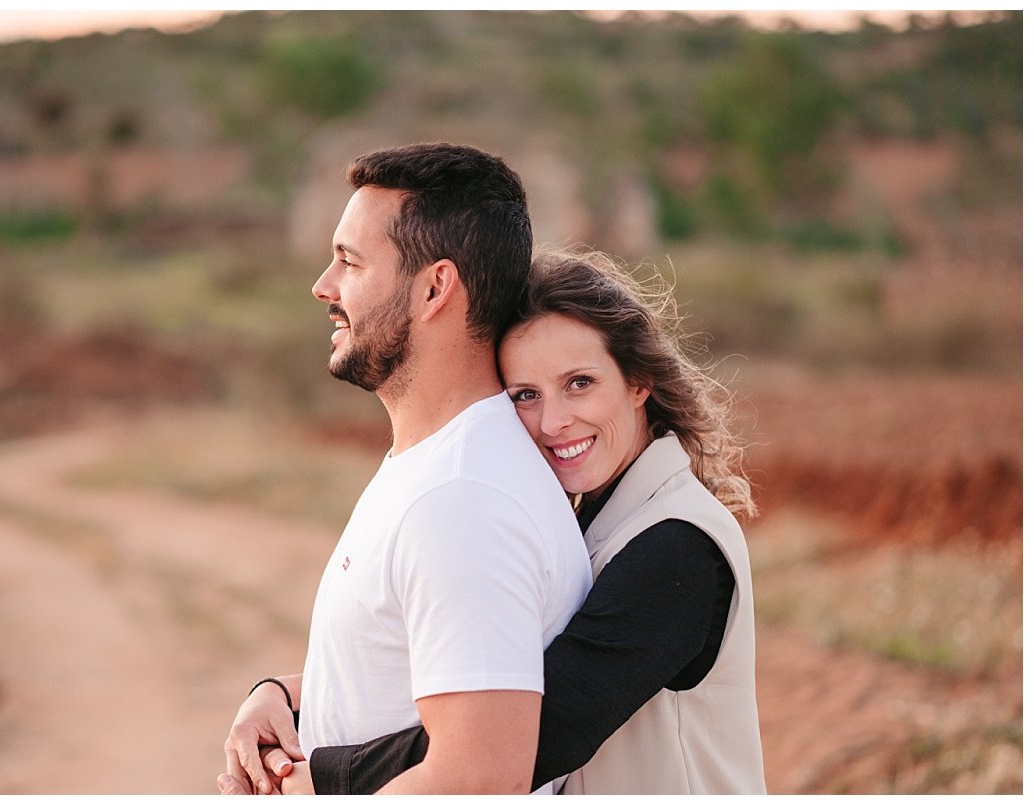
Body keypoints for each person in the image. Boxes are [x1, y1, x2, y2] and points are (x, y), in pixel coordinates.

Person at [258, 246, 767, 794]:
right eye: (526, 395)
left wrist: (319, 777)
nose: (553, 422)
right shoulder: (599, 521)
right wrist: (288, 698)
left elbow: (533, 732)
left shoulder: (676, 546)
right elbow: (487, 669)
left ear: (638, 382)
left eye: (580, 383)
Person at [217, 145, 592, 795]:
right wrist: (284, 695)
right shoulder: (440, 466)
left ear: (434, 288)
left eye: (349, 261)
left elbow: (480, 776)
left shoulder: (464, 500)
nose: (323, 286)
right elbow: (436, 670)